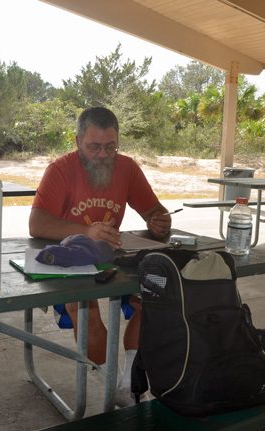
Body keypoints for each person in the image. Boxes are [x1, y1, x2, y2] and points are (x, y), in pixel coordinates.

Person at [28, 106, 172, 407]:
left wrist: (160, 221)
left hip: (113, 257)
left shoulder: (127, 168)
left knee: (156, 294)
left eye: (110, 147)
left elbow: (154, 212)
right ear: (78, 140)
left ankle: (128, 382)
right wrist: (85, 230)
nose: (104, 155)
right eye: (94, 147)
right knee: (87, 312)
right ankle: (110, 379)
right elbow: (37, 224)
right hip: (70, 259)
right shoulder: (60, 170)